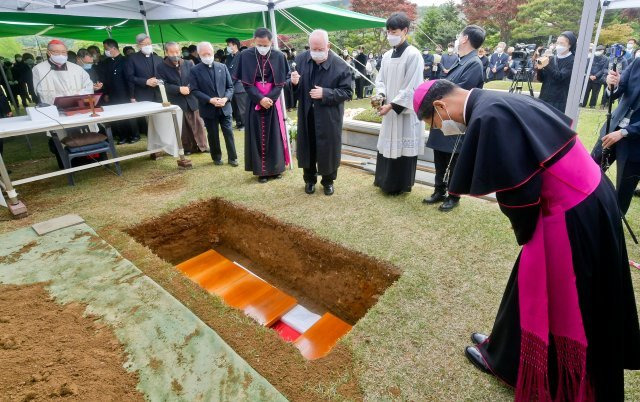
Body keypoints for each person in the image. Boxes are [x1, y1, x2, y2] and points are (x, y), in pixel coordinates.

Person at [415, 77, 640, 402]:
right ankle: (503, 352)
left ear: (439, 107)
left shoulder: (487, 116)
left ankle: (552, 372)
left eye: (433, 123)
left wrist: (525, 231)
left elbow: (518, 191)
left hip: (571, 210)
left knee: (565, 299)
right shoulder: (493, 101)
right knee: (526, 281)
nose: (439, 129)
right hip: (587, 195)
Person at [424, 25, 485, 211]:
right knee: (440, 156)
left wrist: (436, 90)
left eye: (460, 36)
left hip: (456, 117)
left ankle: (453, 195)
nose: (457, 39)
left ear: (465, 38)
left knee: (454, 158)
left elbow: (459, 90)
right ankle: (439, 190)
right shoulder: (462, 61)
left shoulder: (473, 63)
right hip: (443, 116)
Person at [290, 29, 353, 196]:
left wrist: (326, 93)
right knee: (308, 147)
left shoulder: (340, 66)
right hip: (307, 114)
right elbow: (292, 92)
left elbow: (347, 92)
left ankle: (328, 181)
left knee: (328, 148)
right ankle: (309, 179)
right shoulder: (301, 60)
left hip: (329, 116)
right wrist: (294, 84)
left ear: (328, 46)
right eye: (313, 49)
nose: (316, 53)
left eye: (320, 49)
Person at [373, 12, 425, 195]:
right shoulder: (387, 55)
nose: (390, 35)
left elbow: (413, 87)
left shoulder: (414, 55)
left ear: (405, 30)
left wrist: (393, 105)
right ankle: (384, 181)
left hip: (403, 113)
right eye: (388, 31)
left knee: (402, 147)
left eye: (393, 31)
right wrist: (380, 95)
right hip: (389, 109)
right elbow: (381, 80)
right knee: (388, 145)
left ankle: (400, 185)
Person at [233, 27, 290, 183]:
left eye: (265, 45)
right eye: (259, 44)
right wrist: (260, 99)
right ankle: (262, 172)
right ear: (254, 41)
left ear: (271, 42)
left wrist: (269, 99)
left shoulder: (279, 56)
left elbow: (281, 82)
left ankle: (277, 169)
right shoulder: (245, 56)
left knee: (275, 136)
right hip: (254, 101)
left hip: (273, 101)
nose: (263, 48)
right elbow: (246, 83)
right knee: (257, 135)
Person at [32, 39, 94, 168]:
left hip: (77, 108)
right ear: (49, 53)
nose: (61, 55)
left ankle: (89, 160)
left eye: (64, 52)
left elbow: (88, 85)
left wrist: (78, 95)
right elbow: (40, 91)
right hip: (56, 110)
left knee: (85, 133)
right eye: (57, 52)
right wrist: (62, 99)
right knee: (60, 137)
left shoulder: (76, 68)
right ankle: (68, 165)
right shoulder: (39, 69)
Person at [591, 58, 640, 215]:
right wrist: (612, 84)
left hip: (635, 143)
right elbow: (616, 90)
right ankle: (584, 214)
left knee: (622, 192)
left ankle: (613, 228)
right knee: (590, 172)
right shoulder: (637, 63)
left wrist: (624, 132)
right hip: (612, 128)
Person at [190, 42, 237, 166]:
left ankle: (233, 158)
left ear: (213, 52)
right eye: (204, 54)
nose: (207, 56)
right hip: (208, 108)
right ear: (199, 55)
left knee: (229, 132)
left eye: (209, 53)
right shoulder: (195, 70)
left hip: (225, 107)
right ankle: (216, 157)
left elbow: (230, 87)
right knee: (213, 134)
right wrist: (209, 100)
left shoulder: (222, 66)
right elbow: (194, 90)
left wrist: (225, 99)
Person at [157, 42, 208, 155]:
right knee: (183, 126)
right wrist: (178, 89)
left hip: (191, 98)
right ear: (166, 52)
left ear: (180, 51)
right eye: (172, 52)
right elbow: (162, 85)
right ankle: (187, 148)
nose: (175, 54)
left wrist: (190, 87)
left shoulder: (188, 63)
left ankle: (202, 146)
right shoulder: (161, 67)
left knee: (198, 123)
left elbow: (196, 78)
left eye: (177, 52)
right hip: (176, 100)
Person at [101, 38, 139, 145]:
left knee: (129, 115)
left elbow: (130, 79)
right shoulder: (106, 62)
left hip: (125, 92)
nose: (105, 51)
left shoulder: (126, 60)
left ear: (113, 48)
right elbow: (106, 79)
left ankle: (134, 135)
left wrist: (132, 95)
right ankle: (122, 136)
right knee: (117, 116)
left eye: (106, 49)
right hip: (112, 93)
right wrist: (107, 93)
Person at [536, 31, 576, 112]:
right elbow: (542, 79)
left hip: (558, 100)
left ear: (570, 45)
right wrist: (539, 69)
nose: (559, 46)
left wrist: (547, 66)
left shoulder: (572, 60)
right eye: (557, 43)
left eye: (562, 43)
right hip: (544, 97)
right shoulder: (551, 58)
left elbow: (560, 77)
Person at [125, 33, 162, 103]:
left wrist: (158, 81)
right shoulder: (132, 58)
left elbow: (164, 75)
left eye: (149, 43)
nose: (148, 46)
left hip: (159, 95)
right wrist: (146, 82)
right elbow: (129, 77)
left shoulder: (158, 58)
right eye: (144, 44)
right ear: (138, 46)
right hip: (142, 95)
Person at [225, 37, 247, 129]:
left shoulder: (242, 56)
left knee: (241, 107)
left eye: (229, 45)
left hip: (239, 85)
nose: (228, 47)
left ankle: (245, 124)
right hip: (231, 86)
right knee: (235, 107)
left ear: (234, 45)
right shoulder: (229, 57)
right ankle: (239, 123)